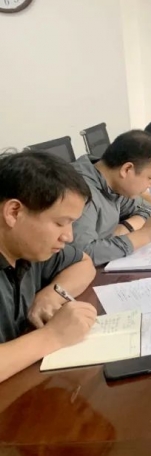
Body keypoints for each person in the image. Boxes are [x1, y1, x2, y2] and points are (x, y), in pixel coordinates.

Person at [0, 151, 98, 383]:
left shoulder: (29, 249)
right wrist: (53, 336)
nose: (68, 236)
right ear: (14, 212)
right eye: (60, 223)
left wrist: (51, 295)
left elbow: (84, 263)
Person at [71, 130, 151, 266]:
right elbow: (81, 253)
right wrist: (145, 235)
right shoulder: (78, 191)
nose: (150, 185)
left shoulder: (114, 186)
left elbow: (147, 208)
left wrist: (126, 227)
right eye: (150, 177)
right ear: (126, 169)